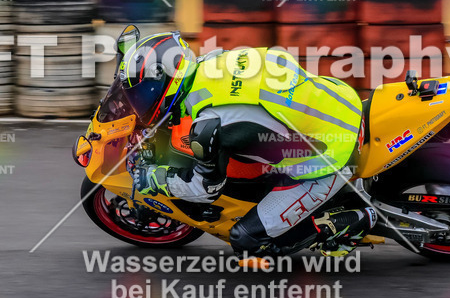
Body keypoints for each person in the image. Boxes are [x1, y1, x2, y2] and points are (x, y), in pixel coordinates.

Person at [113, 31, 376, 257]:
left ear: (165, 85)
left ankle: (360, 218)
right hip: (339, 99)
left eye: (141, 94)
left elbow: (206, 190)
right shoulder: (213, 60)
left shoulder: (209, 126)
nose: (139, 101)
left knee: (246, 239)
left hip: (333, 155)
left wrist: (155, 178)